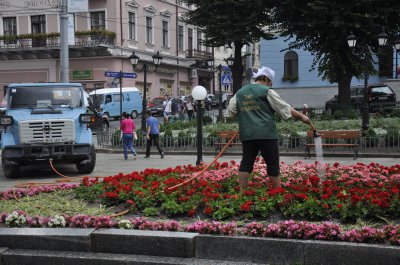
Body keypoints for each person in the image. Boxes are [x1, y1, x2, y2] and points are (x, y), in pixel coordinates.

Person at [227, 66, 310, 190]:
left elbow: (231, 112)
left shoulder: (240, 92)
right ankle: (277, 192)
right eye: (270, 83)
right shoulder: (267, 91)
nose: (270, 86)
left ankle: (242, 192)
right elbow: (284, 108)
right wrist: (302, 117)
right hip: (266, 134)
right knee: (272, 164)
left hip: (247, 134)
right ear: (266, 79)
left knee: (246, 163)